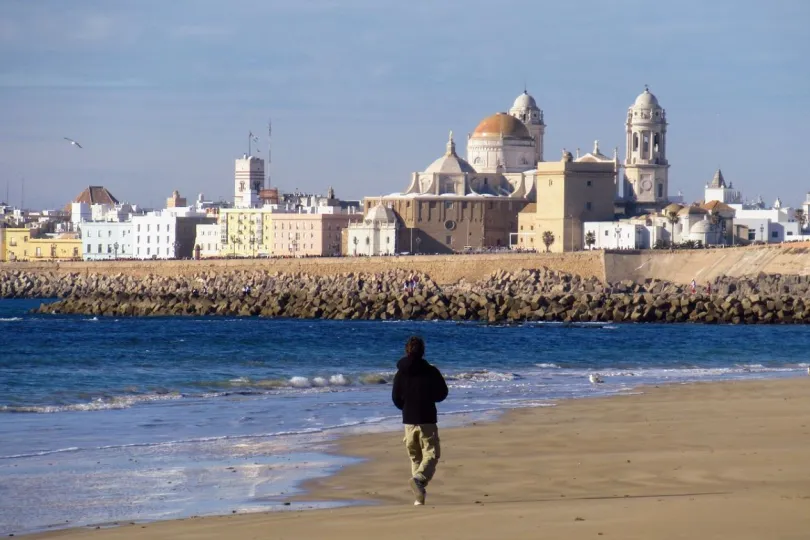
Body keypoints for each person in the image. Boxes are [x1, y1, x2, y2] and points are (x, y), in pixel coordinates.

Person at [392, 336, 448, 506]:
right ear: (422, 351)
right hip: (426, 418)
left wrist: (406, 407)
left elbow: (396, 397)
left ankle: (419, 497)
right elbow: (442, 393)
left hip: (408, 420)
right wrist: (428, 398)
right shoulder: (431, 371)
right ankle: (419, 480)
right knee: (431, 454)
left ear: (407, 350)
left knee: (415, 456)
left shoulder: (400, 372)